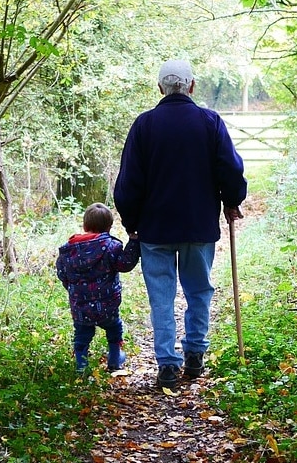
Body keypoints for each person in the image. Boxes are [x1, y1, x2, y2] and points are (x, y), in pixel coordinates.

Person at [114, 59, 247, 390]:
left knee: (161, 297)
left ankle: (167, 365)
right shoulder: (209, 121)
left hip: (154, 229)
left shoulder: (144, 125)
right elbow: (230, 169)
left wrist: (131, 222)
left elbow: (128, 182)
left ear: (160, 88)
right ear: (192, 86)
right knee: (199, 290)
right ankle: (195, 354)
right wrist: (232, 201)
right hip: (198, 226)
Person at [56, 203, 141, 373]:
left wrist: (74, 291)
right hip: (107, 305)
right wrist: (133, 242)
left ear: (84, 225)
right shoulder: (111, 247)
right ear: (109, 227)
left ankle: (81, 366)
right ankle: (115, 359)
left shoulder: (69, 250)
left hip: (80, 307)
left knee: (82, 335)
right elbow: (125, 264)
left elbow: (62, 274)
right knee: (114, 328)